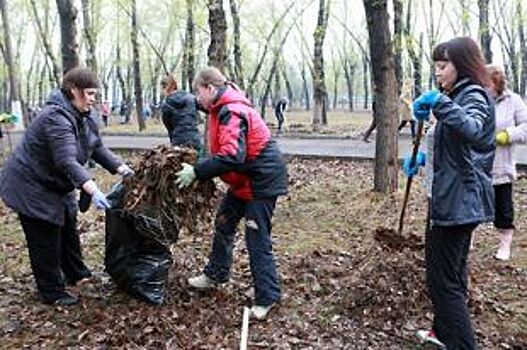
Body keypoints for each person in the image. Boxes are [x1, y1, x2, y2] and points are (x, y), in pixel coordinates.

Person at [0, 67, 134, 306]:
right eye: (89, 93)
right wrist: (92, 189)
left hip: (54, 184)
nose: (93, 98)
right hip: (30, 184)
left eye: (95, 93)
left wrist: (121, 168)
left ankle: (76, 273)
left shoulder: (83, 115)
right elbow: (65, 160)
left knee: (68, 226)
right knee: (45, 236)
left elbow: (96, 147)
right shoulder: (55, 117)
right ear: (74, 91)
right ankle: (51, 291)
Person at [402, 38, 495, 349]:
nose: (438, 73)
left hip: (458, 204)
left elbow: (472, 129)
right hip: (448, 199)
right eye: (436, 67)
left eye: (443, 67)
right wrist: (424, 159)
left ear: (462, 65)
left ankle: (462, 344)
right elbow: (457, 149)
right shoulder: (455, 95)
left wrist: (440, 104)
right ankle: (442, 334)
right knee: (450, 275)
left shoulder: (473, 96)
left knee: (443, 282)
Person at [175, 67, 288, 320]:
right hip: (243, 180)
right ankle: (216, 274)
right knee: (224, 221)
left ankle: (267, 297)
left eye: (198, 91)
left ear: (210, 89)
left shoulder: (232, 112)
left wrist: (197, 171)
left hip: (261, 181)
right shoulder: (221, 105)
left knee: (256, 239)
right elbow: (201, 106)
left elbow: (230, 156)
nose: (197, 98)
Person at [487, 65, 527, 260]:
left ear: (498, 83)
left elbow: (526, 127)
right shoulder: (477, 99)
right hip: (476, 164)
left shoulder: (513, 101)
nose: (485, 88)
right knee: (472, 204)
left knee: (503, 207)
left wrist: (508, 135)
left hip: (501, 163)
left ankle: (504, 245)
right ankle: (466, 240)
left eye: (489, 84)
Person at [160, 74, 202, 151]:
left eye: (162, 88)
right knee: (196, 162)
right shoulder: (190, 98)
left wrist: (173, 142)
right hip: (195, 139)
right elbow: (206, 108)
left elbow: (169, 128)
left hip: (178, 142)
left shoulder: (166, 105)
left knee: (182, 162)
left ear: (165, 88)